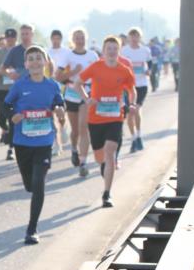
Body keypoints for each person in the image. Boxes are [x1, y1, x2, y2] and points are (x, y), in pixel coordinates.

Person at [5, 46, 65, 244]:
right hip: (22, 141)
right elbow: (7, 105)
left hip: (44, 140)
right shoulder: (20, 85)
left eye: (39, 58)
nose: (35, 62)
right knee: (30, 185)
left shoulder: (53, 86)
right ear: (26, 64)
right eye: (31, 59)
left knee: (38, 184)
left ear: (46, 61)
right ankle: (33, 188)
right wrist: (12, 116)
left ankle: (32, 228)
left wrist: (59, 110)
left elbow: (59, 102)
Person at [72, 36, 137, 208]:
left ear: (119, 51)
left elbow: (132, 90)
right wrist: (86, 100)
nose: (112, 51)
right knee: (100, 156)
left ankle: (107, 194)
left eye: (115, 48)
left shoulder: (124, 70)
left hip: (115, 117)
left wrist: (131, 103)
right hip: (96, 118)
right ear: (104, 50)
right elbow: (77, 84)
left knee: (110, 152)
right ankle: (104, 165)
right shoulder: (96, 67)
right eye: (109, 48)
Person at [57, 28, 99, 177]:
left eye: (82, 38)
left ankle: (83, 162)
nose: (80, 40)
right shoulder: (67, 55)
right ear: (72, 40)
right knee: (75, 131)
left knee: (83, 128)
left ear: (85, 39)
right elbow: (58, 76)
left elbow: (98, 74)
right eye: (77, 38)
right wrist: (73, 72)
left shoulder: (92, 55)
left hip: (86, 93)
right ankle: (74, 149)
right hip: (71, 93)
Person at [120, 28, 151, 152]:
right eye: (132, 36)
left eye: (136, 36)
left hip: (141, 84)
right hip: (128, 85)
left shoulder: (145, 50)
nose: (134, 38)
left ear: (140, 37)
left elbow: (150, 62)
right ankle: (134, 138)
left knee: (137, 110)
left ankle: (139, 134)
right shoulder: (124, 50)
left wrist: (149, 70)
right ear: (128, 38)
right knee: (129, 113)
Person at [0, 30, 17, 160]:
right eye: (8, 37)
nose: (10, 39)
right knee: (1, 118)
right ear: (5, 38)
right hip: (1, 88)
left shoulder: (20, 51)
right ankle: (4, 130)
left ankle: (11, 149)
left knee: (12, 118)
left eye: (13, 37)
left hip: (15, 89)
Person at [47, 29, 72, 157]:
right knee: (51, 113)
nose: (56, 40)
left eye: (58, 38)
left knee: (62, 111)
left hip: (63, 84)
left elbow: (69, 68)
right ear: (51, 39)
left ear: (61, 39)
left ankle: (63, 127)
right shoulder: (47, 52)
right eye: (54, 38)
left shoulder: (67, 52)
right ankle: (56, 143)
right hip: (50, 85)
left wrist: (65, 78)